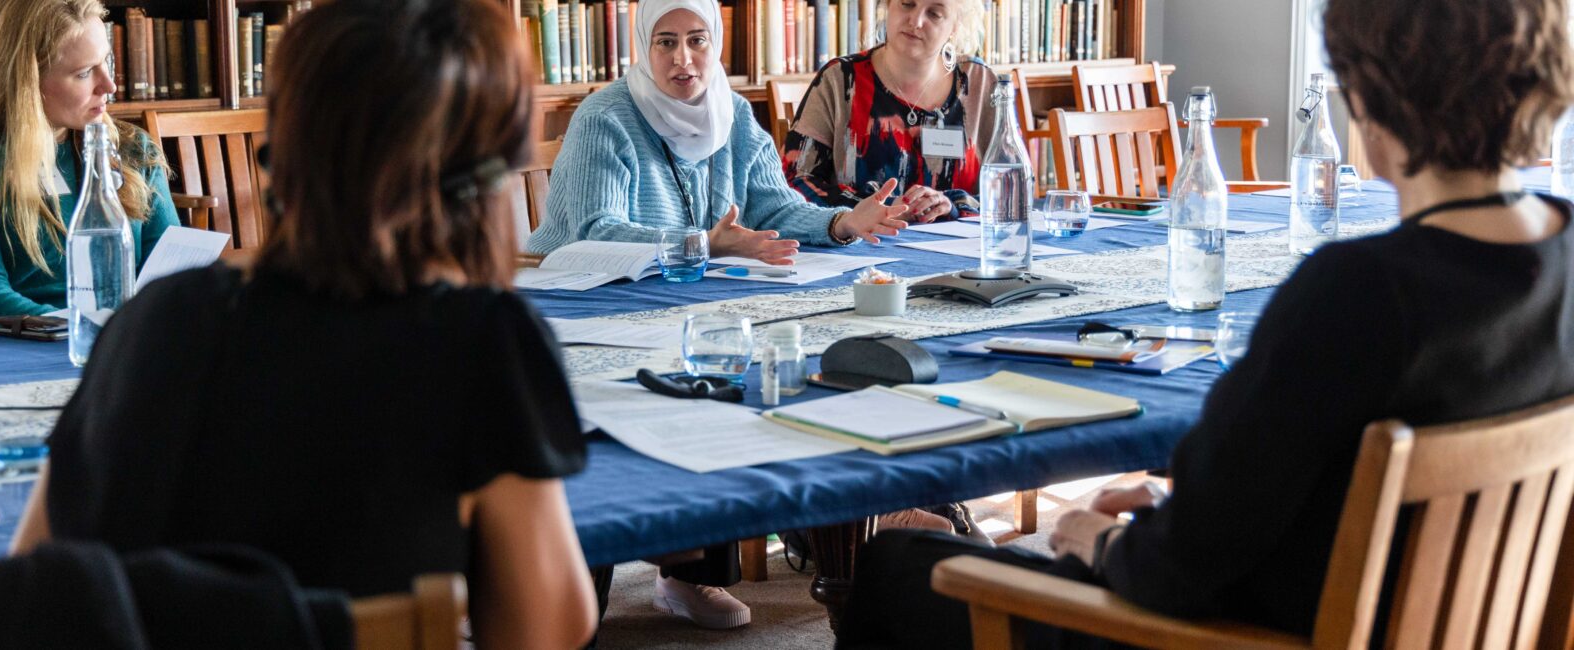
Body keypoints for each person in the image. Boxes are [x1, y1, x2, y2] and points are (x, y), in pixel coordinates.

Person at [834, 0, 1574, 646]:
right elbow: (1285, 487)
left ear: (1378, 99)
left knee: (897, 569)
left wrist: (1098, 542)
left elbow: (1171, 575)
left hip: (1229, 632)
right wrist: (1173, 508)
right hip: (1415, 611)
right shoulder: (1561, 251)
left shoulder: (1360, 291)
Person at [10, 0, 600, 648]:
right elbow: (549, 630)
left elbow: (34, 579)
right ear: (487, 177)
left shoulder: (152, 317)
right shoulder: (481, 342)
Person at [525, 0, 909, 265]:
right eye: (666, 42)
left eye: (697, 40)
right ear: (644, 45)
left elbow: (774, 209)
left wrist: (841, 223)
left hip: (679, 285)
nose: (683, 59)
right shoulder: (605, 118)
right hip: (576, 289)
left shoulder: (735, 114)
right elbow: (597, 233)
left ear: (717, 44)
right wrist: (703, 245)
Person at [0, 0, 178, 319]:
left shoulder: (133, 148)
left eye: (105, 62)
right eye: (84, 73)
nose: (109, 86)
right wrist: (87, 330)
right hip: (28, 348)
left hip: (125, 346)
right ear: (25, 82)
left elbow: (173, 276)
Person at [782, 0, 995, 223]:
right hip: (860, 247)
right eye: (907, 4)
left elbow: (1015, 186)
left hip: (959, 250)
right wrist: (880, 208)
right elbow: (793, 181)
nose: (916, 21)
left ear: (955, 27)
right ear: (888, 5)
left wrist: (953, 204)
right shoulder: (840, 80)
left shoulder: (979, 83)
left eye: (934, 13)